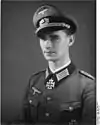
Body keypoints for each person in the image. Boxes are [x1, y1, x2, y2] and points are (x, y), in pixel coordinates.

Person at [10, 4, 96, 125]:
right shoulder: (35, 82)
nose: (47, 45)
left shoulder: (89, 87)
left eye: (54, 38)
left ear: (70, 40)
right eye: (43, 38)